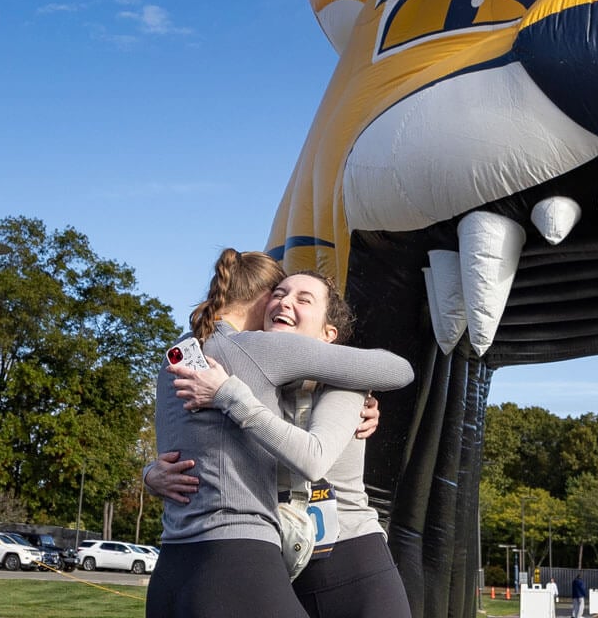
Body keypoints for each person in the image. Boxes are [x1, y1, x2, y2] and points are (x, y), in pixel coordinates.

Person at [144, 249, 413, 618]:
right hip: (282, 567)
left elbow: (314, 457)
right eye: (280, 294)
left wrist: (230, 397)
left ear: (328, 334)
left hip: (351, 561)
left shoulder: (341, 385)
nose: (286, 302)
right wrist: (151, 473)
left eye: (304, 299)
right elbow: (209, 447)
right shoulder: (257, 371)